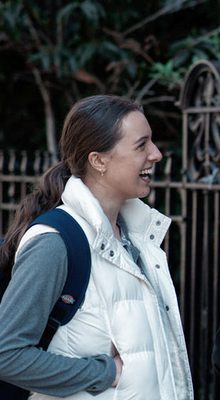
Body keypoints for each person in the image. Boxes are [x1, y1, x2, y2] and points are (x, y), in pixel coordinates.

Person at [0, 95, 194, 399]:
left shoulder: (140, 239)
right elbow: (6, 355)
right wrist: (105, 373)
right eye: (141, 145)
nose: (156, 154)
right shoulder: (55, 242)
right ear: (98, 160)